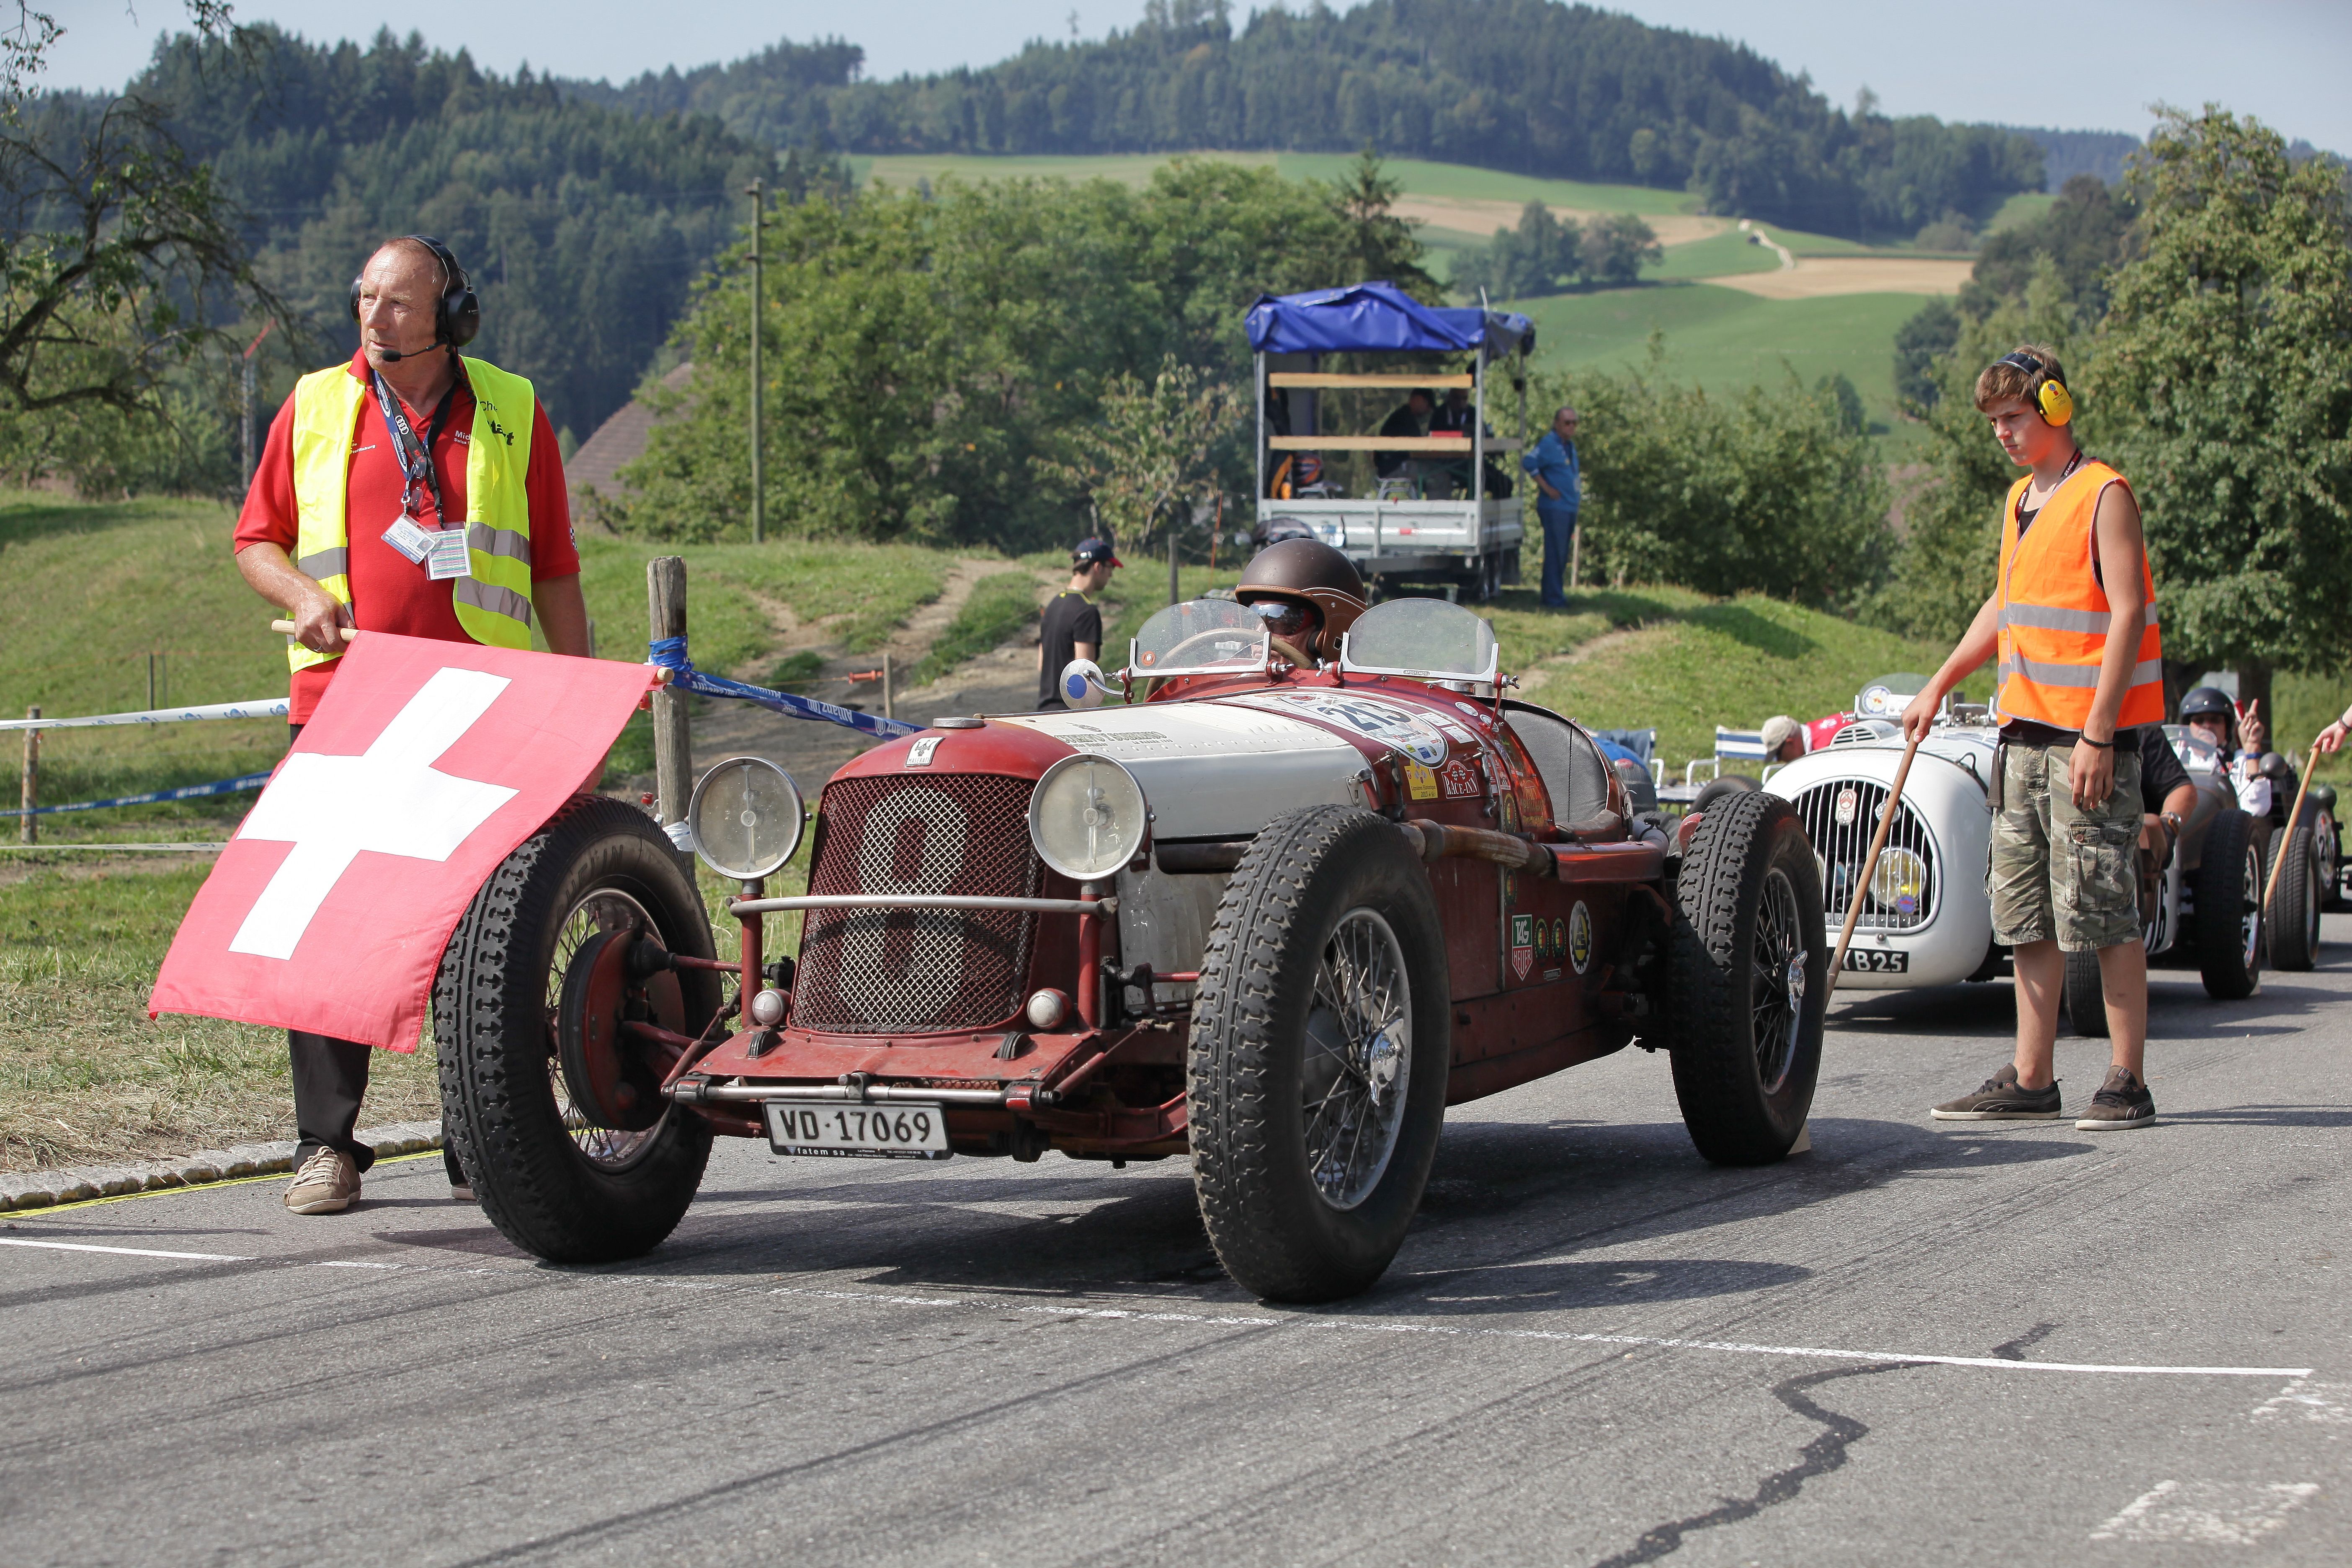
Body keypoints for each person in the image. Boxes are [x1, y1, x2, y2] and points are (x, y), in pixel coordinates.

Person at [234, 235, 589, 1215]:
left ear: (453, 313)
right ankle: (325, 1146)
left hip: (486, 706)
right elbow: (254, 538)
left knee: (484, 937)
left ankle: (477, 1134)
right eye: (364, 296)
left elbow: (554, 565)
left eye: (395, 301)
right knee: (332, 934)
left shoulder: (513, 410)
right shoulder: (313, 404)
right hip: (345, 704)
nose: (372, 315)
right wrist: (303, 593)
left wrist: (579, 699)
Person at [1904, 346, 2163, 1131]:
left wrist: (2098, 732)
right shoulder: (2021, 499)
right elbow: (2005, 604)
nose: (2003, 434)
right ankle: (2031, 1077)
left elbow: (2125, 613)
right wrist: (1939, 682)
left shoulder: (2103, 493)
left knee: (2102, 908)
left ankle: (2126, 1080)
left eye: (2014, 417)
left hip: (2084, 739)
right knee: (2025, 915)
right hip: (2020, 737)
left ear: (2054, 406)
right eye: (1994, 423)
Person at [1233, 537, 1369, 666]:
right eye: (1253, 617)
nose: (1260, 634)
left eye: (1280, 619)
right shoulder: (1230, 682)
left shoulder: (1356, 689)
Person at [1036, 538, 1120, 708]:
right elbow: (1084, 674)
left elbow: (1041, 665)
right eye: (1110, 568)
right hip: (1069, 712)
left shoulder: (1052, 605)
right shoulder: (1086, 611)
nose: (1111, 575)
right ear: (1098, 567)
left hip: (1044, 710)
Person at [1522, 405, 1580, 607]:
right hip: (1556, 508)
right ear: (1557, 424)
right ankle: (1553, 599)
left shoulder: (1568, 445)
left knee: (1562, 553)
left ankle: (1556, 595)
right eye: (1567, 422)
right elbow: (1529, 462)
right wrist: (1547, 488)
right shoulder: (1549, 443)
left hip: (1569, 507)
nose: (1571, 426)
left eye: (1574, 423)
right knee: (1555, 553)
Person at [1375, 388, 1433, 480]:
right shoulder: (1405, 419)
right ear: (1418, 399)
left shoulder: (1404, 415)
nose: (1428, 410)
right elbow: (1418, 448)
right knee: (1439, 476)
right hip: (1394, 467)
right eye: (1427, 404)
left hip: (1391, 466)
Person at [1761, 712, 1852, 763]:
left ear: (1790, 743)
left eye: (1778, 754)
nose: (1779, 760)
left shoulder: (1824, 751)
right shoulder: (1815, 730)